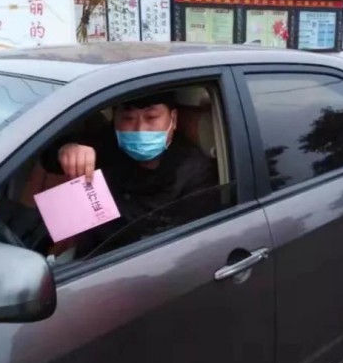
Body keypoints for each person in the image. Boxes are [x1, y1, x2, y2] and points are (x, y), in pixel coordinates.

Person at [42, 91, 218, 253]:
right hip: (88, 256)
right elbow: (47, 157)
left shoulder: (195, 171)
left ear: (173, 119)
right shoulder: (106, 145)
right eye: (128, 118)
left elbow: (189, 245)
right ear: (115, 120)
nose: (140, 129)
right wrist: (66, 149)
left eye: (151, 117)